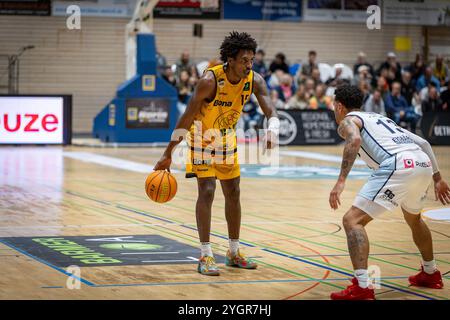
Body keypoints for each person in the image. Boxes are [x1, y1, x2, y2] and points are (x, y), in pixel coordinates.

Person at [154, 31, 279, 276]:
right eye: (244, 60)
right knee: (208, 190)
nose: (249, 65)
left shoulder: (255, 80)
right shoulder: (210, 81)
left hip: (226, 139)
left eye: (251, 60)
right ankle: (206, 254)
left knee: (234, 192)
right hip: (202, 137)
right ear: (230, 60)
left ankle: (233, 252)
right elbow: (187, 117)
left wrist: (272, 130)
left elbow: (270, 110)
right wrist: (168, 152)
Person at [328, 84, 449, 300]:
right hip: (422, 165)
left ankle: (363, 288)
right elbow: (423, 142)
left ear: (339, 106)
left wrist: (340, 181)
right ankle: (431, 273)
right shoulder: (379, 118)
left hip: (398, 164)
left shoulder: (349, 120)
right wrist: (438, 178)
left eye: (333, 106)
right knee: (414, 219)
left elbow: (354, 140)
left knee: (352, 221)